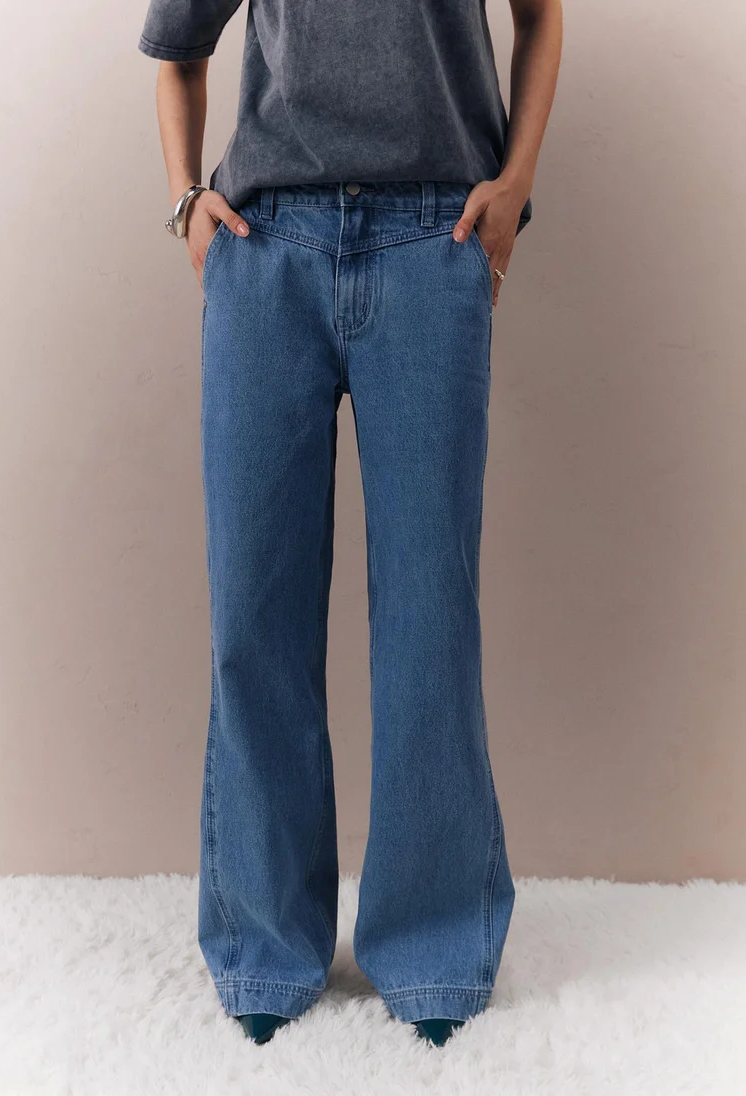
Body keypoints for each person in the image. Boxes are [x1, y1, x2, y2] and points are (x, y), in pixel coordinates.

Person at [138, 0, 561, 1048]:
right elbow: (177, 52)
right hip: (265, 246)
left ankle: (433, 944)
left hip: (433, 241)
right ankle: (264, 942)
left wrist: (514, 184)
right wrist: (186, 200)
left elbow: (540, 16)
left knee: (428, 613)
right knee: (254, 612)